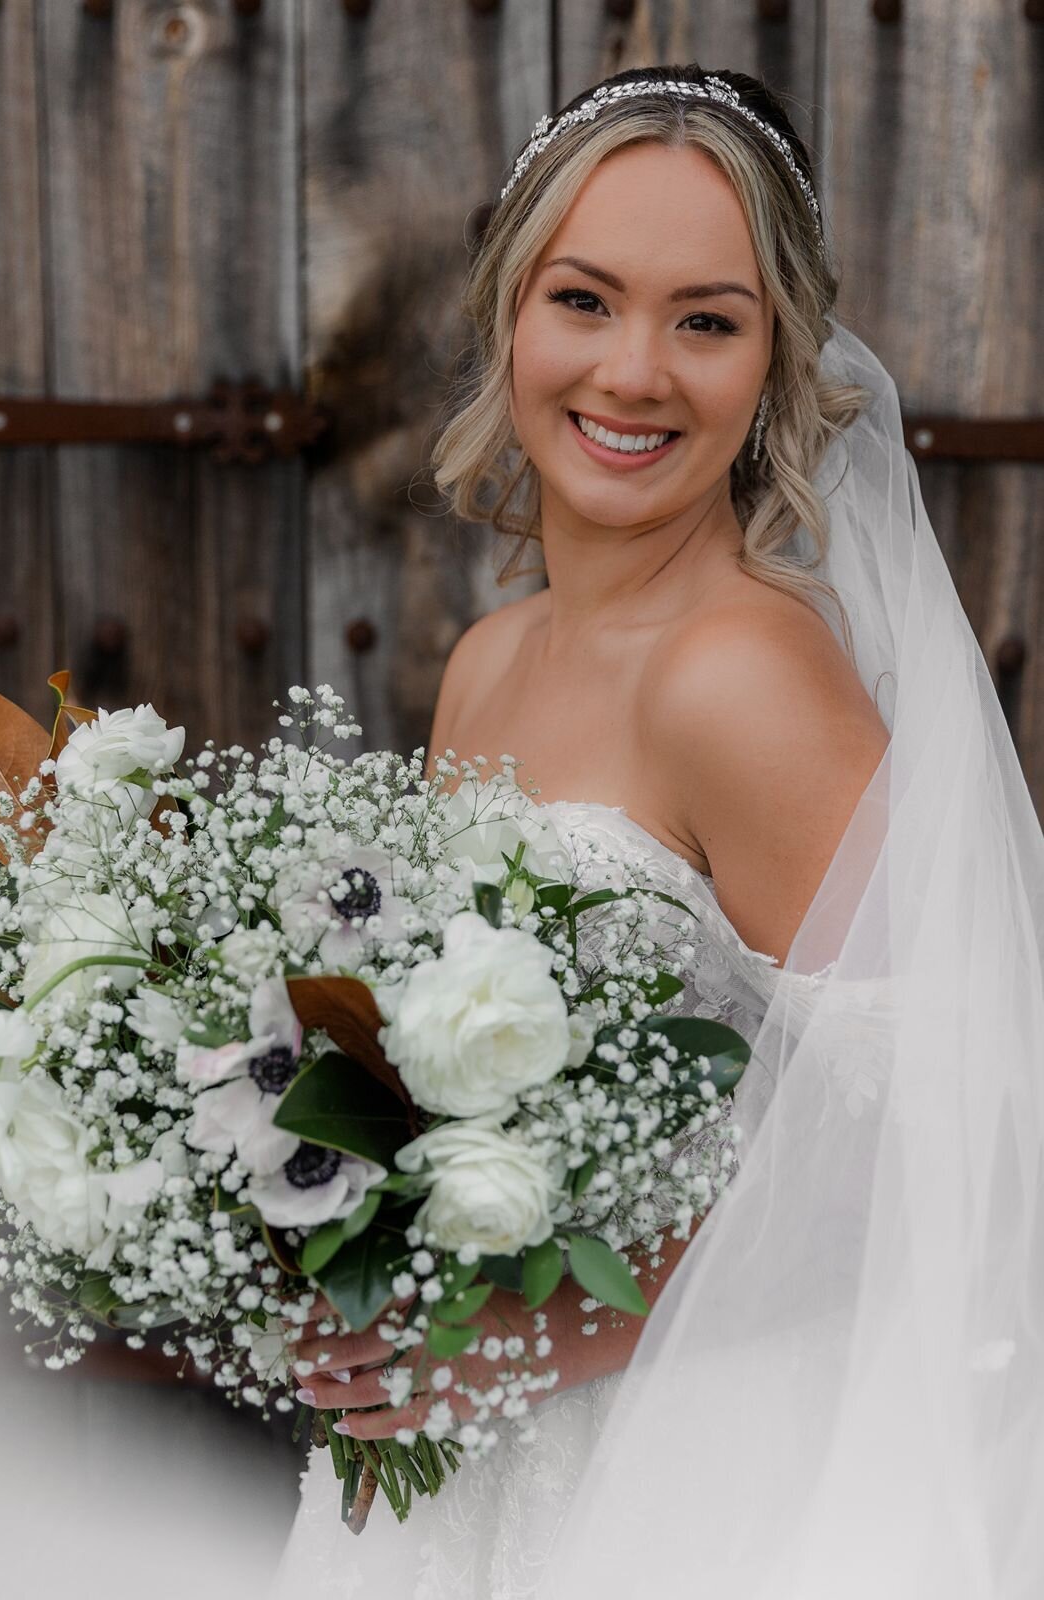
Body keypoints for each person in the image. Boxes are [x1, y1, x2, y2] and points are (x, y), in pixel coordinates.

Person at [272, 66, 1044, 1598]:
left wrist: (536, 1338)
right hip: (468, 1449)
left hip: (687, 1470)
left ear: (774, 365)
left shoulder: (742, 676)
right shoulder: (494, 657)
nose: (634, 372)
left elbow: (959, 1148)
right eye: (585, 299)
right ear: (509, 313)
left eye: (707, 319)